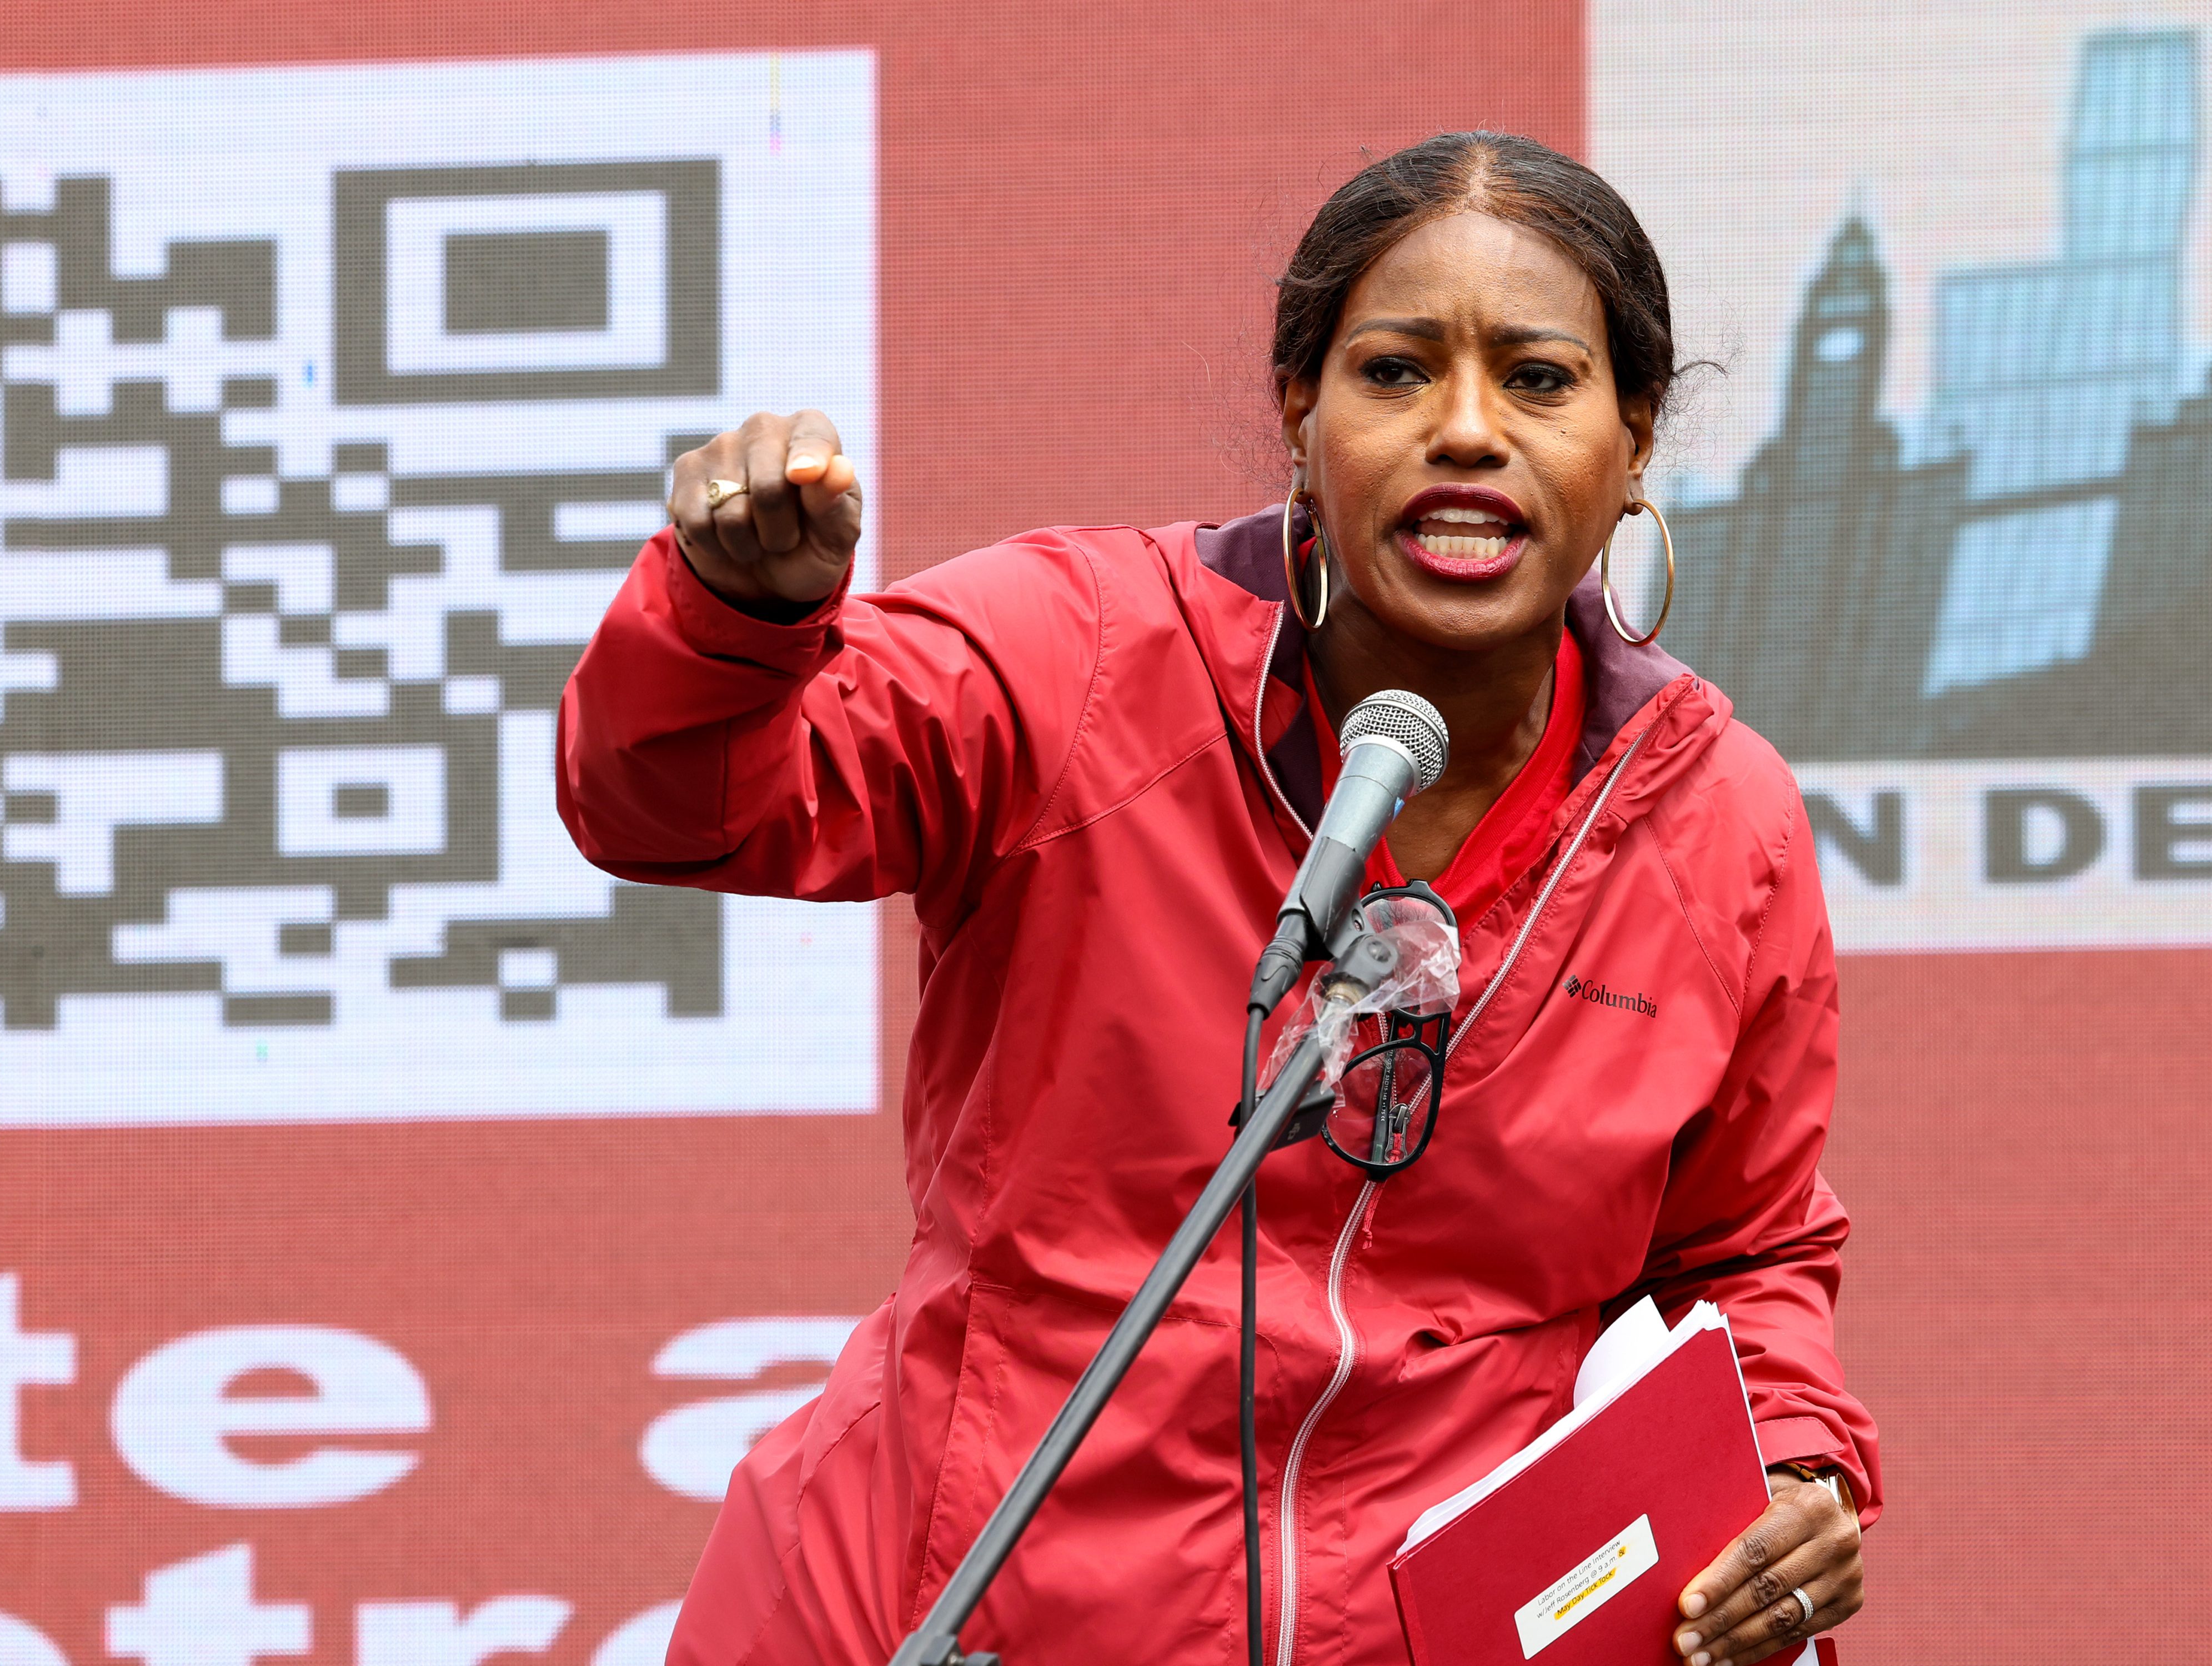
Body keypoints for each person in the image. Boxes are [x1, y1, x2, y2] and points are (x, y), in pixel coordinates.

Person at [558, 131, 1877, 1666]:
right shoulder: (1079, 654)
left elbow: (1745, 1257)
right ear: (1298, 410)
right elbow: (674, 808)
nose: (1466, 431)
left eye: (1538, 379)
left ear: (1634, 434)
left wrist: (1791, 1469)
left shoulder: (1719, 818)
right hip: (951, 1600)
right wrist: (733, 620)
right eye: (1393, 374)